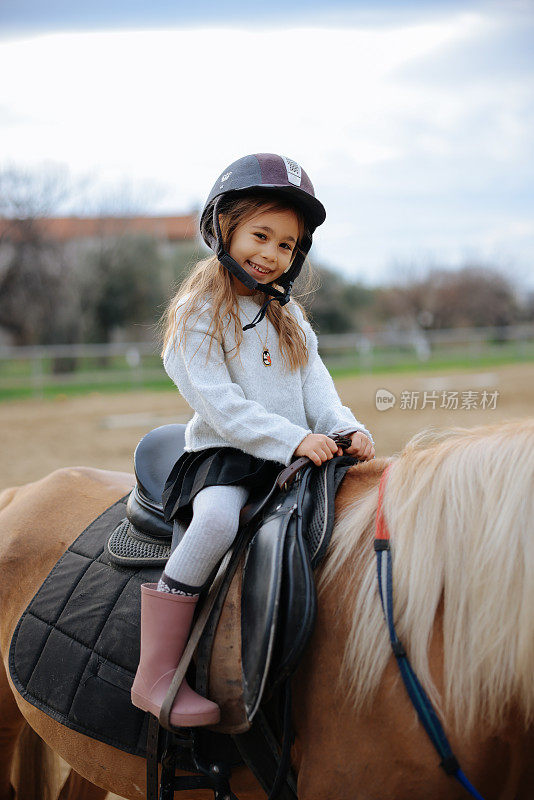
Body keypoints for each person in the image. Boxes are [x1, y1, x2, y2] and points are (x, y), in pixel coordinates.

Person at [131, 153, 375, 728]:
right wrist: (293, 439)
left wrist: (345, 428)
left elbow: (320, 391)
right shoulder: (199, 313)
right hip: (228, 458)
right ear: (224, 228)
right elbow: (220, 403)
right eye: (260, 235)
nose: (270, 254)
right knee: (216, 522)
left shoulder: (289, 320)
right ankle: (157, 672)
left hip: (293, 455)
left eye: (286, 245)